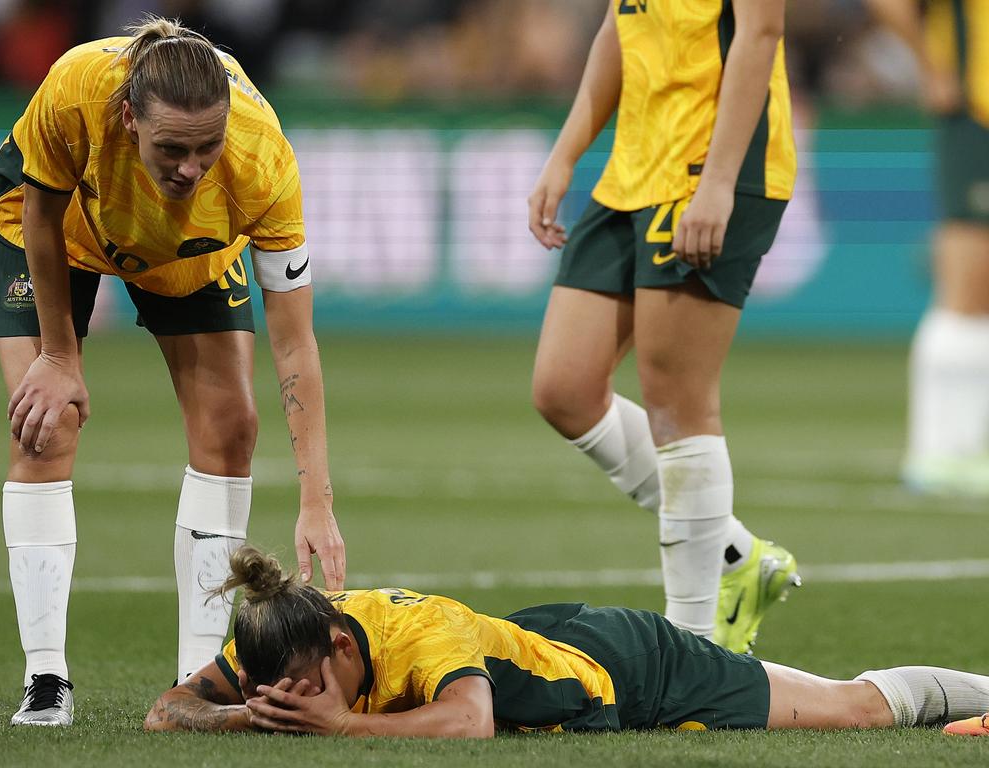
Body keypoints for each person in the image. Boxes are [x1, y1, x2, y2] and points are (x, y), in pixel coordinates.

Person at [0, 17, 346, 726]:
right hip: (62, 230)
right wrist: (61, 356)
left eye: (206, 146)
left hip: (187, 251)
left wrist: (316, 499)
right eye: (172, 147)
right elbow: (41, 213)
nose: (190, 165)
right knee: (45, 427)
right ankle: (46, 679)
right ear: (128, 118)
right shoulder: (78, 91)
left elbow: (296, 345)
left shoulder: (262, 162)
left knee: (232, 427)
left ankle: (196, 676)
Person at [526, 0, 798, 652]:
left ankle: (692, 648)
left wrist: (719, 182)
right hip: (633, 169)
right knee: (563, 389)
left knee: (678, 404)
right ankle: (735, 554)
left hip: (711, 167)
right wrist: (566, 153)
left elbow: (760, 31)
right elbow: (621, 27)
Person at [144, 545, 989, 736]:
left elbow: (469, 723)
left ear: (338, 644)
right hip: (540, 642)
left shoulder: (417, 632)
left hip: (634, 666)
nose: (300, 696)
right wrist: (232, 716)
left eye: (304, 683)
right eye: (278, 689)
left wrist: (343, 727)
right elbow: (166, 710)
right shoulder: (276, 632)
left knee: (854, 710)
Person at [866, 0, 989, 497]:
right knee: (970, 281)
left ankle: (963, 446)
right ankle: (939, 453)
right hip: (977, 114)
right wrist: (934, 68)